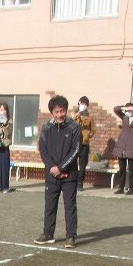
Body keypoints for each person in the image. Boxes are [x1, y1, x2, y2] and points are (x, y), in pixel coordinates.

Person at [34, 95, 82, 249]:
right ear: (52, 112)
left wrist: (61, 168)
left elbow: (76, 150)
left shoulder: (74, 127)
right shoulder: (46, 127)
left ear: (66, 111)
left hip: (69, 174)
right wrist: (52, 168)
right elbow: (43, 149)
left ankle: (71, 236)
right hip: (51, 174)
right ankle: (48, 234)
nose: (60, 114)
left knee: (70, 206)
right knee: (50, 205)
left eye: (62, 111)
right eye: (56, 111)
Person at [112, 101, 133, 195]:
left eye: (130, 110)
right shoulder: (124, 116)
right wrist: (124, 107)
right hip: (122, 145)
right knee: (122, 169)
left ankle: (131, 189)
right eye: (127, 110)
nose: (128, 112)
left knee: (132, 169)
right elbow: (116, 109)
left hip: (132, 145)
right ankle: (120, 188)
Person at [72, 96, 94, 191]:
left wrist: (88, 135)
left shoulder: (90, 117)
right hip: (74, 142)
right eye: (81, 104)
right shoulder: (74, 115)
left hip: (84, 143)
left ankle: (80, 183)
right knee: (72, 162)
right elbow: (69, 125)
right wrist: (75, 116)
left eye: (85, 104)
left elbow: (93, 130)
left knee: (82, 164)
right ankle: (72, 181)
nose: (83, 105)